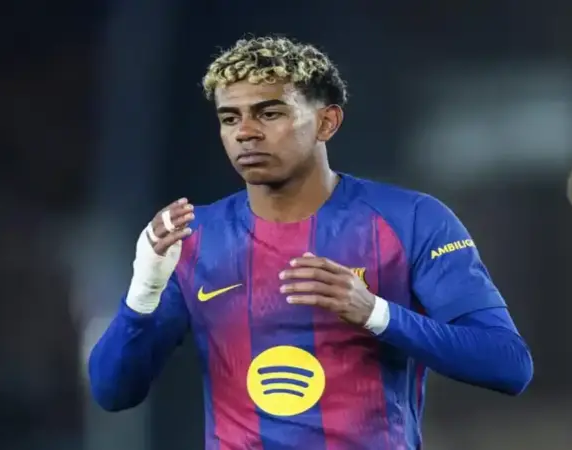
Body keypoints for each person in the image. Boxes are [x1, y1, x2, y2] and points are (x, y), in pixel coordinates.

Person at [88, 36, 533, 450]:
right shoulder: (192, 238)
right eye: (230, 118)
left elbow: (509, 365)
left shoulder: (411, 220)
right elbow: (112, 392)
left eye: (269, 113)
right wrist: (143, 292)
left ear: (327, 122)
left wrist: (376, 313)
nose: (245, 132)